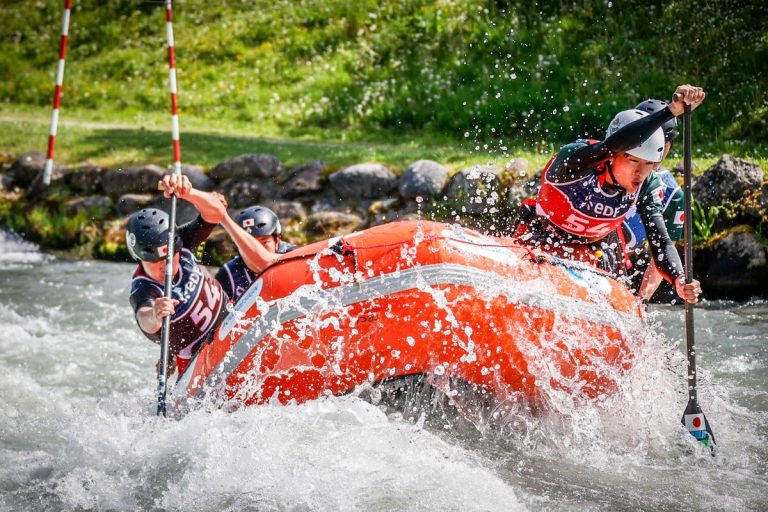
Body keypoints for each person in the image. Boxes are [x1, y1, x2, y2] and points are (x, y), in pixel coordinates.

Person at [513, 85, 704, 304]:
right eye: (633, 160)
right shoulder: (577, 159)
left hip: (598, 249)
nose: (640, 172)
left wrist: (679, 280)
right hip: (542, 233)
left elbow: (660, 242)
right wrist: (669, 111)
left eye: (648, 164)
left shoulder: (648, 184)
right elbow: (610, 146)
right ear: (613, 156)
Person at [126, 174, 228, 376]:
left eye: (169, 257)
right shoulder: (143, 289)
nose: (164, 266)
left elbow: (217, 212)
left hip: (231, 321)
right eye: (154, 262)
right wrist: (155, 313)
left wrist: (189, 192)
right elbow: (144, 317)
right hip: (196, 360)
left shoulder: (181, 240)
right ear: (139, 259)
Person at [622, 98, 686, 301]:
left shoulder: (672, 196)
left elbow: (662, 252)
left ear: (668, 145)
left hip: (612, 263)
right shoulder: (611, 166)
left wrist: (642, 299)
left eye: (659, 143)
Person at [214, 205, 297, 302]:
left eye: (264, 242)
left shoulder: (294, 255)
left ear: (277, 239)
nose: (257, 250)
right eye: (250, 244)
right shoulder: (228, 274)